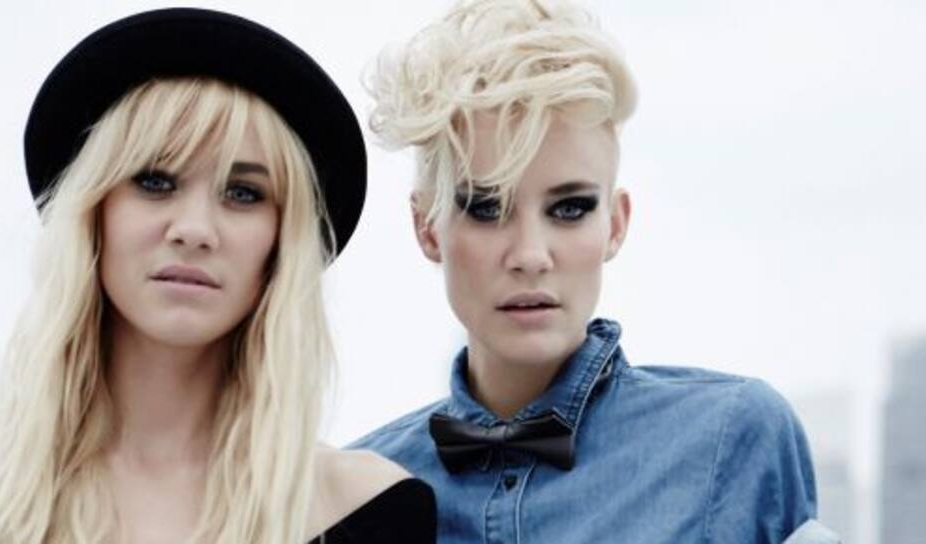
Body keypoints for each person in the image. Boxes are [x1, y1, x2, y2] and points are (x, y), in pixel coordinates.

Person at [0, 8, 435, 544]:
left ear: (283, 242)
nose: (194, 229)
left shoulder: (365, 510)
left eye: (243, 193)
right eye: (155, 182)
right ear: (93, 212)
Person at [349, 0, 837, 542]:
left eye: (569, 208)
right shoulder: (353, 498)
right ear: (426, 227)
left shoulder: (733, 438)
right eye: (486, 208)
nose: (530, 254)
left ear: (615, 224)